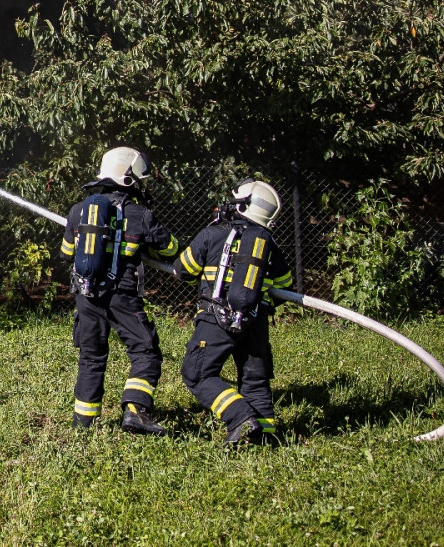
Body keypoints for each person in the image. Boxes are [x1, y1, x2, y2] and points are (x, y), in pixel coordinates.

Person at [59, 147, 181, 435]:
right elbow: (170, 249)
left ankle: (83, 423)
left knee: (91, 356)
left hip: (86, 294)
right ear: (130, 179)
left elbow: (66, 253)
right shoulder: (140, 214)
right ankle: (136, 411)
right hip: (121, 295)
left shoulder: (78, 211)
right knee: (145, 350)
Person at [178, 180, 293, 445]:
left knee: (197, 374)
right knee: (255, 380)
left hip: (215, 318)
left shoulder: (213, 234)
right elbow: (284, 285)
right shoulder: (268, 244)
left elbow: (182, 269)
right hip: (256, 322)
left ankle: (240, 417)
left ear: (242, 206)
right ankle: (265, 439)